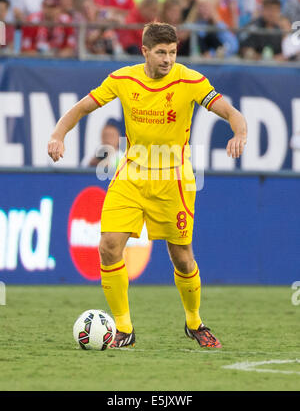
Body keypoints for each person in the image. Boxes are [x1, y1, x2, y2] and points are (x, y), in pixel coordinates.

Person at [48, 22, 247, 349]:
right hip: (131, 173)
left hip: (174, 180)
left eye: (172, 52)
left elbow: (230, 112)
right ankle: (124, 329)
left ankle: (194, 322)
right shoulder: (123, 79)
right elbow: (82, 107)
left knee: (182, 258)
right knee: (108, 246)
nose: (168, 59)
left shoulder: (190, 80)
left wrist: (240, 134)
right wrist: (57, 135)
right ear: (145, 52)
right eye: (160, 52)